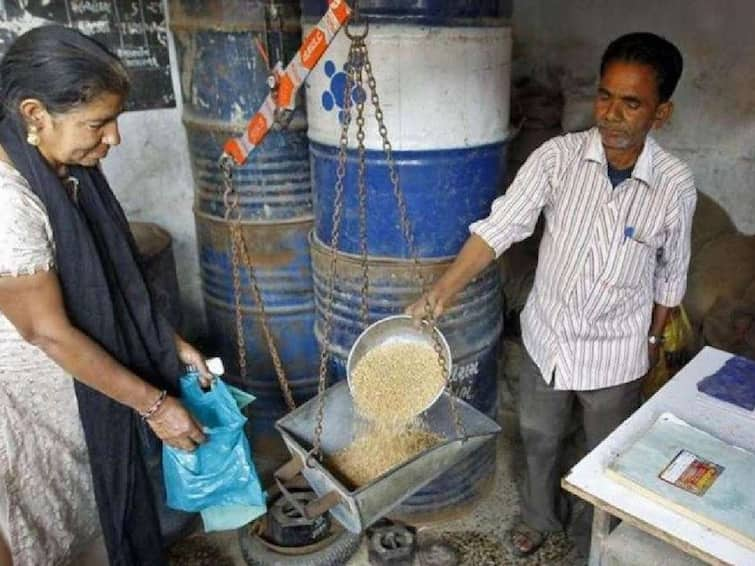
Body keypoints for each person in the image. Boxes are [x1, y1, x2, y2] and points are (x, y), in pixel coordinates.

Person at [407, 32, 696, 557]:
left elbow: (671, 276)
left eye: (631, 103)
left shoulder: (675, 187)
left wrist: (652, 343)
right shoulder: (557, 158)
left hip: (617, 352)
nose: (611, 114)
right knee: (539, 438)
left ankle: (591, 534)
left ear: (661, 113)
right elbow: (499, 229)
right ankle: (540, 517)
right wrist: (441, 293)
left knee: (603, 454)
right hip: (548, 339)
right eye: (605, 96)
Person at [0, 26, 214, 565]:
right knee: (45, 531)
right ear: (34, 114)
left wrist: (170, 341)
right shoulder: (10, 206)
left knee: (95, 513)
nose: (114, 138)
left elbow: (112, 283)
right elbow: (46, 331)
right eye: (98, 123)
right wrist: (157, 406)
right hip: (35, 409)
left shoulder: (69, 169)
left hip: (84, 398)